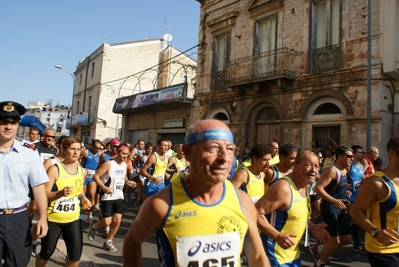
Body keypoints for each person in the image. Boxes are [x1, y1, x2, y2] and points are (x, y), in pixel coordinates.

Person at [122, 119, 270, 266]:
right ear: (188, 153)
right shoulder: (161, 204)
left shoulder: (242, 201)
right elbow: (132, 242)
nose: (224, 158)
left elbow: (257, 258)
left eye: (230, 149)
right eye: (212, 148)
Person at [256, 150, 330, 267]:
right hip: (273, 256)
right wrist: (277, 236)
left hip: (292, 255)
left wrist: (311, 227)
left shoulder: (304, 186)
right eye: (308, 165)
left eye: (316, 166)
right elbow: (255, 213)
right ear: (296, 166)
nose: (313, 170)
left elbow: (296, 214)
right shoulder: (283, 187)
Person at [0, 101, 48, 266]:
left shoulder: (29, 154)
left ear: (18, 125)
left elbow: (39, 186)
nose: (8, 126)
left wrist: (43, 217)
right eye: (3, 122)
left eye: (13, 122)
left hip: (18, 218)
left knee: (19, 262)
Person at [36, 136, 92, 267]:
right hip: (53, 218)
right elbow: (45, 194)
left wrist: (84, 199)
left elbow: (80, 192)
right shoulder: (55, 169)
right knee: (46, 252)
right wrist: (59, 193)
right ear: (64, 149)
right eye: (72, 149)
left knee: (75, 255)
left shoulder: (83, 171)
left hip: (73, 218)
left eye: (78, 149)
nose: (76, 152)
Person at [350, 136, 399, 267]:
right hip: (383, 250)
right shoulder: (376, 183)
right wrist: (375, 232)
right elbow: (355, 211)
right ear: (392, 154)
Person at [88, 143, 137, 253]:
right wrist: (104, 187)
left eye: (127, 154)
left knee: (117, 220)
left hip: (119, 195)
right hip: (107, 196)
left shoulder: (124, 165)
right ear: (118, 152)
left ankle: (108, 242)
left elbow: (123, 177)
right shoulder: (109, 163)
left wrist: (128, 182)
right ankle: (94, 227)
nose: (125, 156)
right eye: (123, 154)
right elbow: (96, 176)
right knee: (107, 222)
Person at [313, 146, 353, 267]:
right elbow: (318, 188)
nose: (352, 159)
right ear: (340, 157)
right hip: (329, 208)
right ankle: (319, 263)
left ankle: (319, 249)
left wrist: (345, 193)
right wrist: (334, 200)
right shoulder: (331, 170)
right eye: (349, 156)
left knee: (347, 239)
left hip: (340, 209)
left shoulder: (345, 170)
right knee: (334, 241)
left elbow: (335, 187)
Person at [347, 145, 365, 252]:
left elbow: (361, 180)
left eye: (362, 152)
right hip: (350, 197)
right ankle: (356, 243)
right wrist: (345, 186)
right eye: (359, 152)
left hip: (358, 196)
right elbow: (342, 177)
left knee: (353, 219)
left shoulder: (362, 166)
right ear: (353, 154)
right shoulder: (350, 166)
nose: (362, 154)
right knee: (355, 220)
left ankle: (355, 240)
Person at [81, 139, 103, 223]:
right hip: (84, 177)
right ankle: (78, 213)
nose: (97, 150)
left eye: (99, 148)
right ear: (92, 146)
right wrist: (81, 168)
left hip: (93, 177)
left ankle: (90, 215)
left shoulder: (100, 154)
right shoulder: (86, 152)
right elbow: (76, 159)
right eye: (96, 148)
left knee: (91, 195)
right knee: (82, 196)